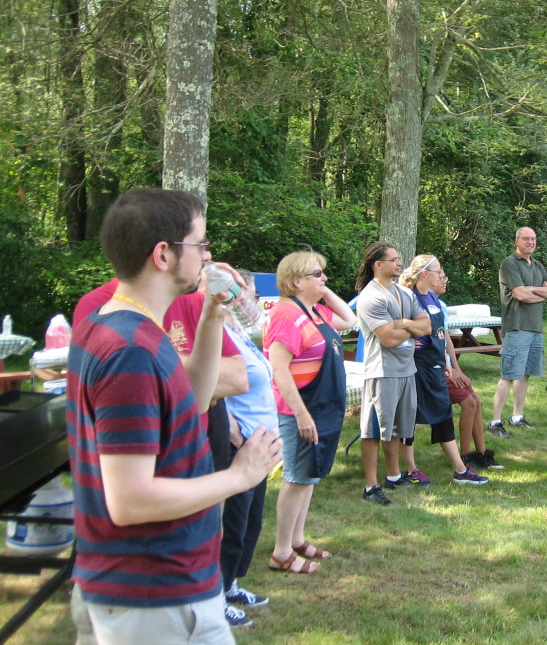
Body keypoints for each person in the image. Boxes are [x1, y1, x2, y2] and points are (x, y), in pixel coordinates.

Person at [66, 188, 280, 645]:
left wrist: (209, 320)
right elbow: (131, 501)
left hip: (158, 585)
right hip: (152, 594)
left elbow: (195, 402)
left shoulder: (130, 327)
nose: (207, 257)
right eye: (200, 245)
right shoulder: (128, 351)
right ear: (163, 254)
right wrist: (240, 476)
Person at [265, 250, 355, 573]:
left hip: (319, 406)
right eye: (317, 274)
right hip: (298, 409)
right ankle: (281, 552)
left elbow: (350, 320)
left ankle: (297, 539)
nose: (324, 278)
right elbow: (280, 369)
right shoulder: (285, 315)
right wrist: (301, 415)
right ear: (295, 281)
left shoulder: (313, 312)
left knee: (310, 476)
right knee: (297, 478)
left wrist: (322, 290)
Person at [394, 255, 490, 485]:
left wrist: (448, 365)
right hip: (416, 367)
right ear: (425, 274)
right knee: (409, 419)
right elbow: (396, 325)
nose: (441, 276)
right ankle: (411, 469)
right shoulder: (409, 298)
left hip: (436, 367)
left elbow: (441, 333)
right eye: (438, 272)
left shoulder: (433, 298)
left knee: (443, 414)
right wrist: (412, 335)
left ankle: (460, 469)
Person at [220, 270, 277, 627]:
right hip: (241, 444)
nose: (255, 300)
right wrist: (232, 431)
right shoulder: (215, 333)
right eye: (251, 294)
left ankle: (233, 582)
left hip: (261, 444)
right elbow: (209, 383)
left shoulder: (238, 333)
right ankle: (218, 591)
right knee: (233, 521)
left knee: (251, 520)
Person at [355, 242, 431, 505]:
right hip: (382, 372)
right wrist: (411, 328)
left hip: (406, 369)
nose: (400, 263)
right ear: (378, 264)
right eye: (394, 260)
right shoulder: (371, 297)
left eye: (399, 259)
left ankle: (394, 475)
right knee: (374, 430)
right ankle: (370, 486)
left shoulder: (404, 293)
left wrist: (403, 324)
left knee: (398, 428)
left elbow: (427, 325)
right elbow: (388, 339)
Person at [429, 267, 502, 470]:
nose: (444, 281)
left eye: (445, 276)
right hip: (433, 368)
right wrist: (448, 369)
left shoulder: (440, 305)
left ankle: (482, 453)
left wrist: (457, 368)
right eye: (440, 277)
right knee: (469, 403)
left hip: (447, 366)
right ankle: (465, 455)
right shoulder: (419, 305)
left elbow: (447, 342)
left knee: (476, 401)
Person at [489, 226, 547, 437]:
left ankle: (517, 417)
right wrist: (540, 292)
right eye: (526, 239)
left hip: (535, 327)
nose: (531, 242)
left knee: (525, 374)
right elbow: (519, 295)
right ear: (517, 241)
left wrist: (533, 291)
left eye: (533, 239)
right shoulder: (509, 263)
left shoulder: (537, 265)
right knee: (509, 374)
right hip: (517, 326)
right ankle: (495, 422)